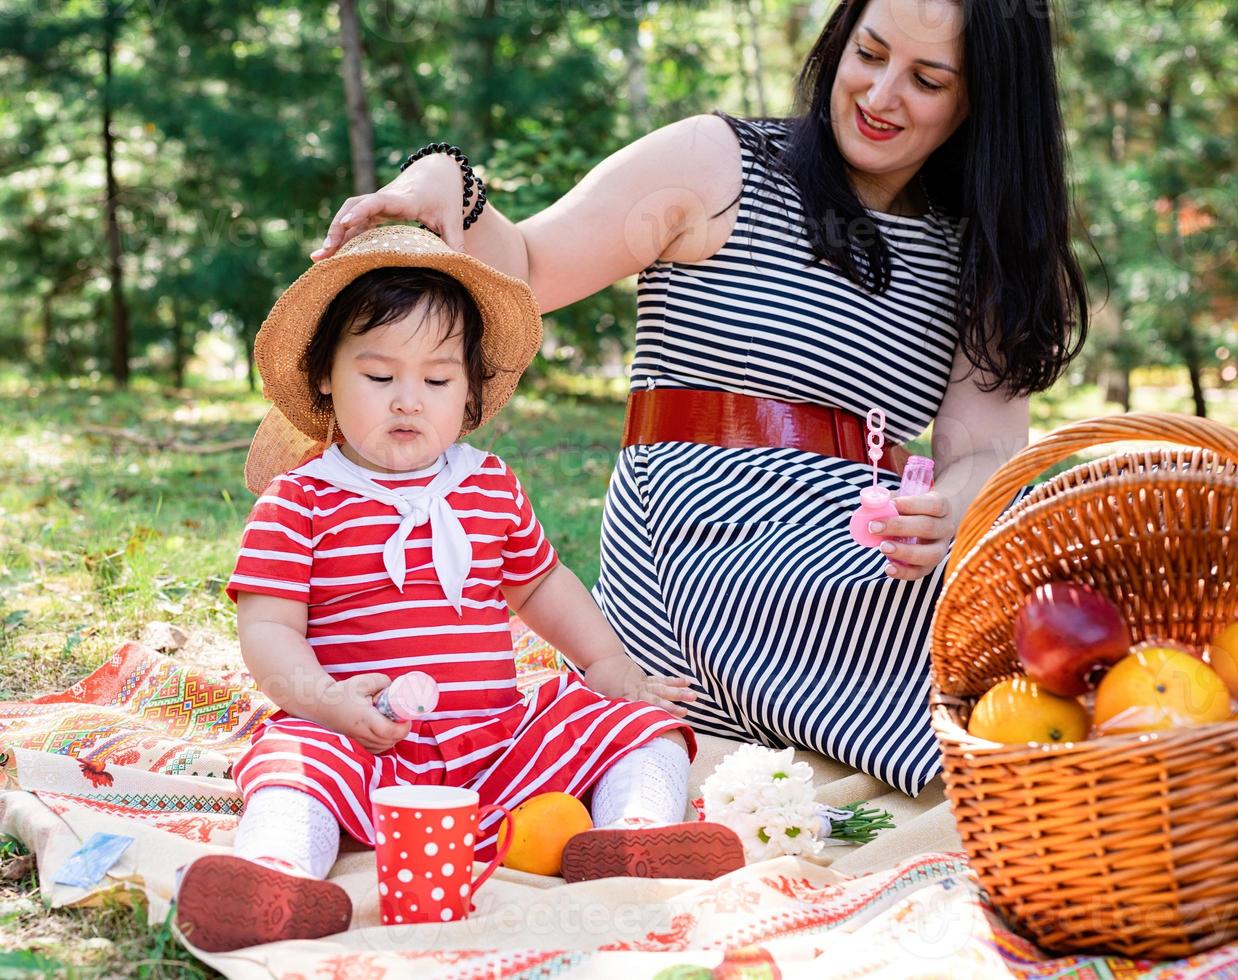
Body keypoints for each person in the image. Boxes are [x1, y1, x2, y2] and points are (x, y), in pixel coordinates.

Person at [311, 0, 1088, 800]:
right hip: (699, 542)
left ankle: (1098, 762)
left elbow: (987, 451)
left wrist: (952, 508)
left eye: (927, 79)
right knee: (1025, 660)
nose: (881, 93)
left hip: (867, 554)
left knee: (1059, 591)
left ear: (981, 100)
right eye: (869, 53)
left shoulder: (978, 251)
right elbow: (530, 267)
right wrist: (447, 178)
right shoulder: (718, 163)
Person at [173, 225, 745, 953]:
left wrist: (608, 667)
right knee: (291, 763)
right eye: (379, 378)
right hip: (364, 743)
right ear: (324, 376)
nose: (408, 401)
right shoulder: (302, 499)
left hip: (500, 741)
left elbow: (541, 585)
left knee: (637, 728)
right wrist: (325, 700)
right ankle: (277, 878)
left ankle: (639, 838)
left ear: (470, 389)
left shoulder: (488, 484)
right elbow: (269, 627)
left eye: (437, 380)